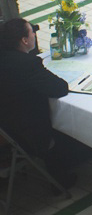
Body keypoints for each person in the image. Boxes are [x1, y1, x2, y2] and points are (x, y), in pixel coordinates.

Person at [0, 18, 73, 187]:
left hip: (5, 125)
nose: (34, 34)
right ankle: (60, 182)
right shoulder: (26, 64)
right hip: (24, 132)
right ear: (25, 40)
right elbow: (60, 88)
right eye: (32, 31)